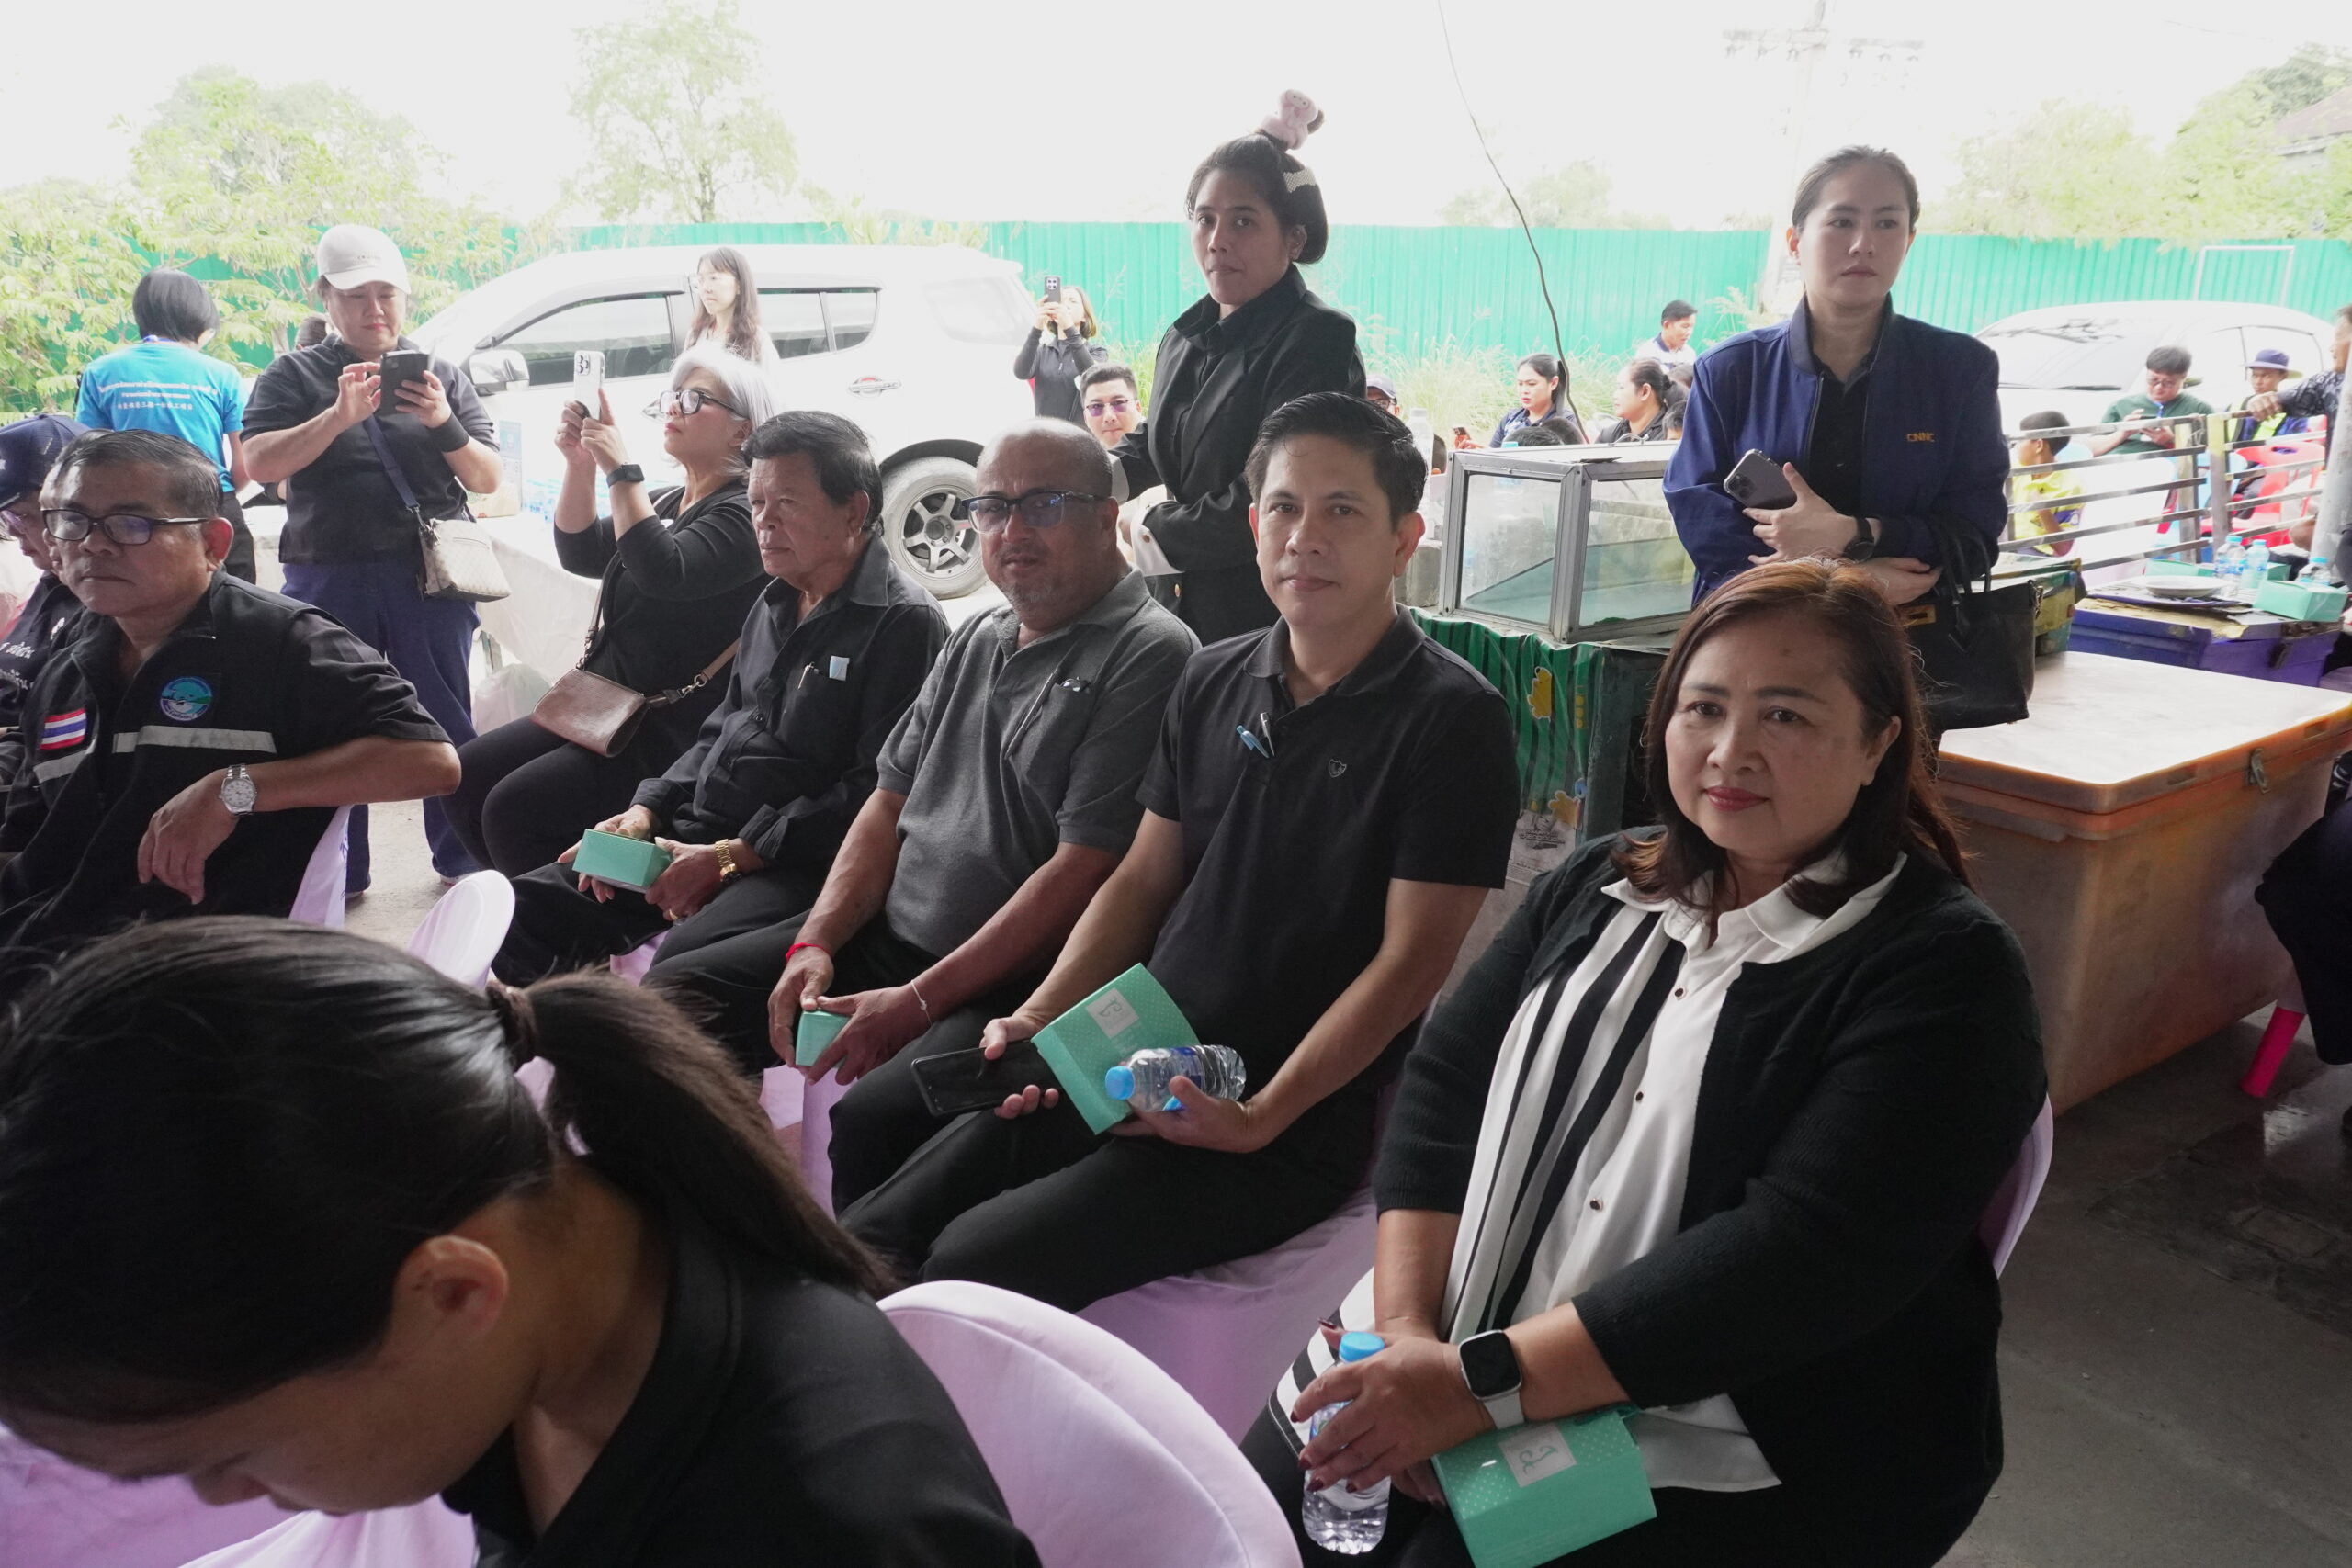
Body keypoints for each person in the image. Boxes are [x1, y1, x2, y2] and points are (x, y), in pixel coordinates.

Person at [1249, 559, 2045, 1567]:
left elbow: (1793, 1263)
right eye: (1702, 707)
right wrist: (1405, 1337)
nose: (1730, 750)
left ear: (1880, 742)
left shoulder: (1944, 972)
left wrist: (1472, 1389)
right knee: (1258, 1513)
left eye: (1786, 715)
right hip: (1457, 1329)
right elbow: (1445, 1090)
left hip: (1731, 1419)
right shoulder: (1601, 880)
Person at [0, 920, 1040, 1566]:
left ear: (451, 1295)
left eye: (226, 1459)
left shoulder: (827, 1532)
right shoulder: (560, 1305)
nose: (221, 1499)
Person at [834, 392, 1518, 1309]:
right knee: (878, 1206)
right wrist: (1044, 1018)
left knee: (967, 1260)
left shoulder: (1453, 719)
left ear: (1403, 539)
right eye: (1283, 508)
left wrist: (1259, 1116)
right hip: (1136, 1051)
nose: (1304, 538)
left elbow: (1410, 967)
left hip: (1282, 1116)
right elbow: (1142, 878)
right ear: (1253, 526)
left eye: (1342, 511)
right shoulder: (1213, 675)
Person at [682, 420, 1194, 1077]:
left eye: (1044, 505)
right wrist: (816, 941)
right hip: (889, 931)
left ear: (1105, 518)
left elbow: (1086, 868)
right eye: (993, 508)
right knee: (681, 996)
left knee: (875, 1121)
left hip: (1004, 978)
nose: (1012, 531)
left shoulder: (1151, 651)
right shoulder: (978, 634)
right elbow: (887, 800)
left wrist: (918, 1002)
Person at [492, 412, 950, 1046]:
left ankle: (651, 1076)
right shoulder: (776, 597)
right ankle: (579, 1058)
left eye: (787, 503)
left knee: (684, 983)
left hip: (794, 861)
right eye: (757, 502)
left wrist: (731, 858)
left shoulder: (903, 624)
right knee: (522, 910)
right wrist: (646, 811)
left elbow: (872, 795)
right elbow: (720, 729)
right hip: (700, 832)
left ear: (854, 510)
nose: (764, 521)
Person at [0, 430, 459, 979]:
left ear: (213, 544)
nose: (94, 545)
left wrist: (234, 789)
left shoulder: (282, 643)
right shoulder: (67, 665)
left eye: (130, 523)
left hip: (189, 965)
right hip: (52, 942)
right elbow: (29, 836)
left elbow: (429, 762)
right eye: (73, 521)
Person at [446, 347, 775, 876]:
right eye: (673, 395)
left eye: (696, 399)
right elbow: (580, 550)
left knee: (515, 809)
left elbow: (664, 570)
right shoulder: (668, 501)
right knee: (463, 773)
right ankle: (529, 902)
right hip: (604, 703)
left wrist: (621, 470)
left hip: (666, 724)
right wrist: (580, 466)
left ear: (743, 430)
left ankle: (571, 910)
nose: (676, 407)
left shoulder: (743, 515)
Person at [241, 223, 502, 893]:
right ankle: (341, 870)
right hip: (326, 574)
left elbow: (487, 477)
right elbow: (258, 464)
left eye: (386, 294)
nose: (374, 309)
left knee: (445, 717)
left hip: (428, 578)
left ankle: (463, 857)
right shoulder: (293, 374)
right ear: (325, 297)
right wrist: (336, 417)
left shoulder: (440, 374)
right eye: (356, 296)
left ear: (405, 297)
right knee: (332, 724)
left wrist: (442, 421)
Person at [1666, 146, 2007, 605]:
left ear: (1908, 241)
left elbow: (1975, 533)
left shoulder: (1960, 370)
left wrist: (1857, 533)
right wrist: (1849, 579)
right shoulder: (1731, 369)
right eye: (1842, 221)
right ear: (1795, 242)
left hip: (1911, 639)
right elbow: (1702, 520)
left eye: (1887, 223)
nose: (1863, 243)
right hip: (1760, 627)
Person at [1108, 94, 1367, 644]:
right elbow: (1164, 439)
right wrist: (1086, 481)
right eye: (1205, 219)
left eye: (1243, 221)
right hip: (1178, 611)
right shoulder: (1186, 336)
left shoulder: (1317, 339)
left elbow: (1278, 495)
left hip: (1269, 620)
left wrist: (1148, 529)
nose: (1217, 241)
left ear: (1294, 238)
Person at [74, 268, 257, 582]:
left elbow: (87, 455)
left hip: (133, 516)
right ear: (200, 318)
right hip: (213, 507)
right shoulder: (221, 374)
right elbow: (246, 463)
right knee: (233, 599)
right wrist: (222, 494)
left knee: (144, 598)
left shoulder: (101, 372)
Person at [0, 416, 89, 784]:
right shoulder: (52, 584)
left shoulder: (102, 604)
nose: (15, 535)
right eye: (6, 519)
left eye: (23, 516)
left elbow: (55, 746)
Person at [2246, 303, 2351, 466]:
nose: (2332, 348)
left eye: (2337, 337)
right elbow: (2280, 400)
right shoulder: (2330, 382)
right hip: (2339, 479)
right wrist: (2261, 400)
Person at [2086, 346, 2211, 459]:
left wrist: (2171, 441)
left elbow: (2213, 454)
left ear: (2183, 379)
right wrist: (2123, 433)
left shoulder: (2198, 409)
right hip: (2117, 461)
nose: (2159, 387)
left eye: (2168, 383)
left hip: (2167, 467)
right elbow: (2090, 450)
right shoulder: (2120, 405)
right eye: (2153, 380)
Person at [1015, 285, 1110, 426]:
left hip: (1081, 435)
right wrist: (1037, 327)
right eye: (1062, 300)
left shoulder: (1097, 351)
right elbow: (1021, 372)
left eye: (1073, 301)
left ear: (1084, 316)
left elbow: (1092, 375)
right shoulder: (1042, 352)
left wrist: (1069, 328)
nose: (1066, 305)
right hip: (1046, 433)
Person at [686, 246, 776, 367]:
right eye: (700, 280)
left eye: (714, 278)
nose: (705, 288)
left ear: (739, 284)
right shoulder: (696, 335)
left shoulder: (756, 340)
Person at [2009, 410, 2081, 557]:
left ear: (2038, 445)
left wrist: (2044, 512)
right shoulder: (2012, 470)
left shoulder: (2071, 486)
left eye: (2021, 440)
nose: (2016, 446)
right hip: (2002, 545)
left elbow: (2063, 548)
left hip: (2035, 553)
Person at [1489, 354, 1585, 447]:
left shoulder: (1567, 422)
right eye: (1520, 384)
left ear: (1553, 383)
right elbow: (1494, 452)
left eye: (1531, 384)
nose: (1524, 391)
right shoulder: (1511, 418)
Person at [1598, 361, 1676, 445]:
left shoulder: (1672, 436)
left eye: (1621, 387)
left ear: (1645, 392)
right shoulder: (1609, 436)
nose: (1615, 396)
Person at [1080, 362, 1143, 449]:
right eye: (1096, 406)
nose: (1109, 417)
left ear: (1138, 408)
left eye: (1118, 403)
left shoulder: (1158, 452)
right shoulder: (1079, 456)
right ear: (1085, 418)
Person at [1634, 299, 1700, 381]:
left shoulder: (1689, 354)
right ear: (1666, 325)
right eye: (1685, 326)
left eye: (1692, 326)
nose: (1689, 332)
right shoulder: (1647, 353)